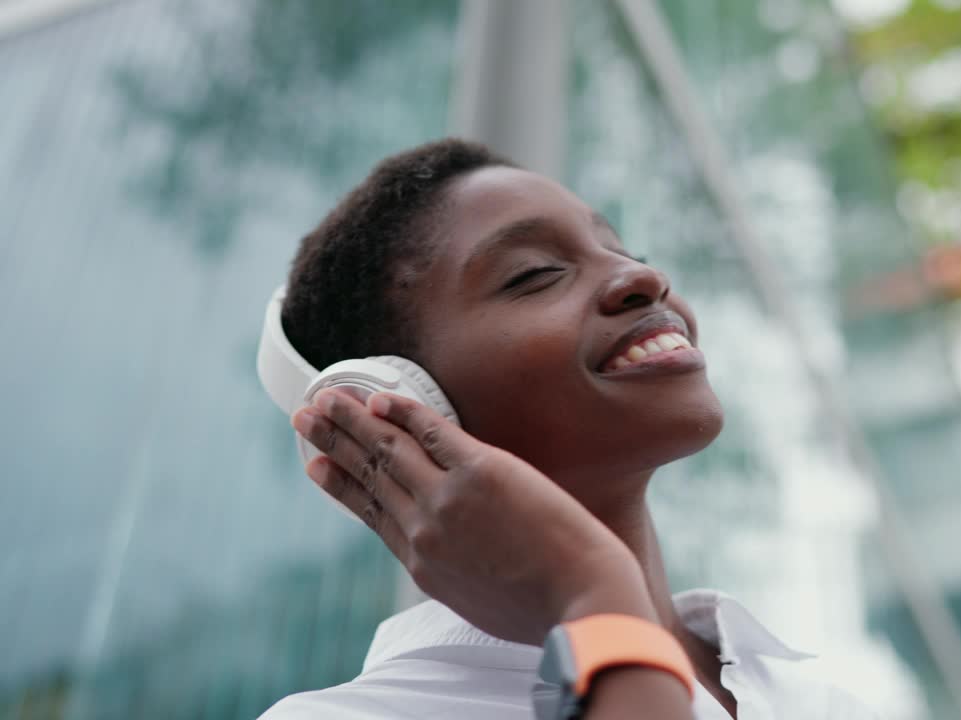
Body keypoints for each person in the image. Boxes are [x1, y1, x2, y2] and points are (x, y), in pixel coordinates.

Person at [257, 139, 872, 719]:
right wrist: (594, 599)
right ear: (387, 410)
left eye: (628, 252)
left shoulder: (814, 697)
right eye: (535, 274)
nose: (644, 279)